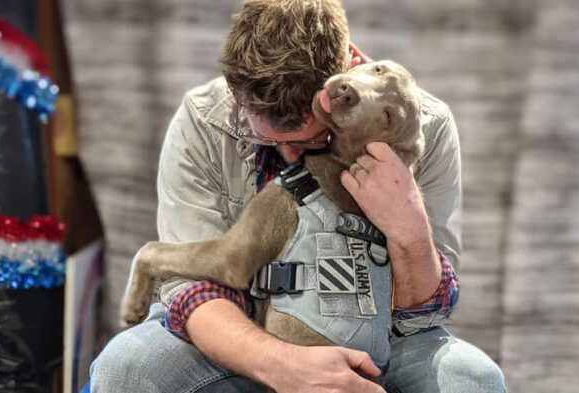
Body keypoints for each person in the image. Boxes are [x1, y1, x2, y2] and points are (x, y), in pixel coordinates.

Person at [89, 1, 506, 392]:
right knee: (126, 367)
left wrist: (408, 226)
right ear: (239, 95)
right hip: (241, 323)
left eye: (312, 139)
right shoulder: (203, 120)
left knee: (470, 378)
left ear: (350, 67)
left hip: (376, 332)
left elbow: (422, 316)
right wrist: (286, 366)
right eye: (268, 139)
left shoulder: (417, 126)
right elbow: (193, 291)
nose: (289, 155)